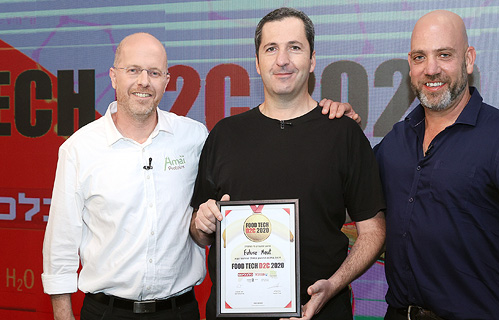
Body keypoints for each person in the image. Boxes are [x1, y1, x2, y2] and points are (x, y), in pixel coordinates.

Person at [41, 32, 356, 320]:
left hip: (180, 310)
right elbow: (61, 246)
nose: (143, 81)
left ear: (167, 80)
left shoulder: (194, 137)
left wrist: (329, 115)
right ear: (113, 76)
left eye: (154, 73)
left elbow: (221, 200)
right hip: (106, 311)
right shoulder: (79, 149)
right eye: (132, 70)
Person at [374, 10, 499, 320]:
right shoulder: (396, 140)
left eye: (444, 55)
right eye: (419, 57)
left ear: (468, 60)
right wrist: (340, 127)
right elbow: (353, 197)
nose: (431, 69)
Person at [189, 7, 386, 320]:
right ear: (257, 62)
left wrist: (332, 286)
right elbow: (200, 232)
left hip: (322, 312)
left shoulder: (343, 132)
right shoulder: (224, 134)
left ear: (312, 60)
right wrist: (201, 224)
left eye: (294, 47)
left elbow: (373, 232)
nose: (282, 60)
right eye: (271, 49)